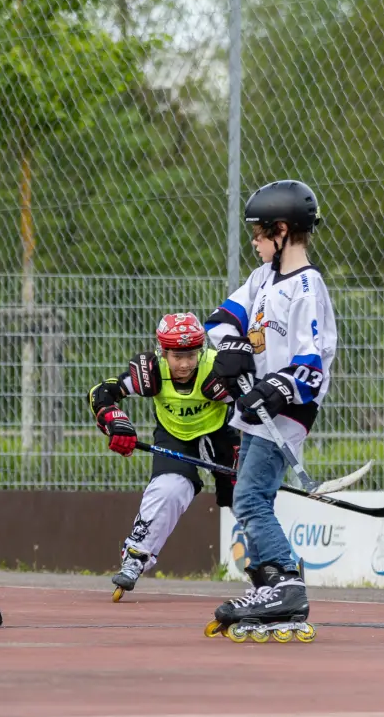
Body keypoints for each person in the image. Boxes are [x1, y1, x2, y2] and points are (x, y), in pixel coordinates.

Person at [204, 180, 336, 642]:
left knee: (251, 498)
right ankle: (267, 584)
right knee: (249, 496)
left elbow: (312, 362)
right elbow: (219, 321)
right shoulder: (261, 280)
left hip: (285, 413)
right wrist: (234, 349)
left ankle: (286, 584)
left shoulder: (307, 286)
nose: (255, 244)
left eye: (258, 235)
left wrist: (277, 388)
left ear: (281, 231)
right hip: (255, 409)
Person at [89, 313, 237, 600]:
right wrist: (114, 420)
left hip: (220, 434)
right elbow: (101, 392)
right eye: (177, 356)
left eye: (191, 355)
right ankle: (135, 557)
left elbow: (252, 401)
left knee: (244, 497)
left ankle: (274, 568)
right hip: (175, 438)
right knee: (168, 490)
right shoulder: (150, 371)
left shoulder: (217, 368)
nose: (184, 364)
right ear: (163, 351)